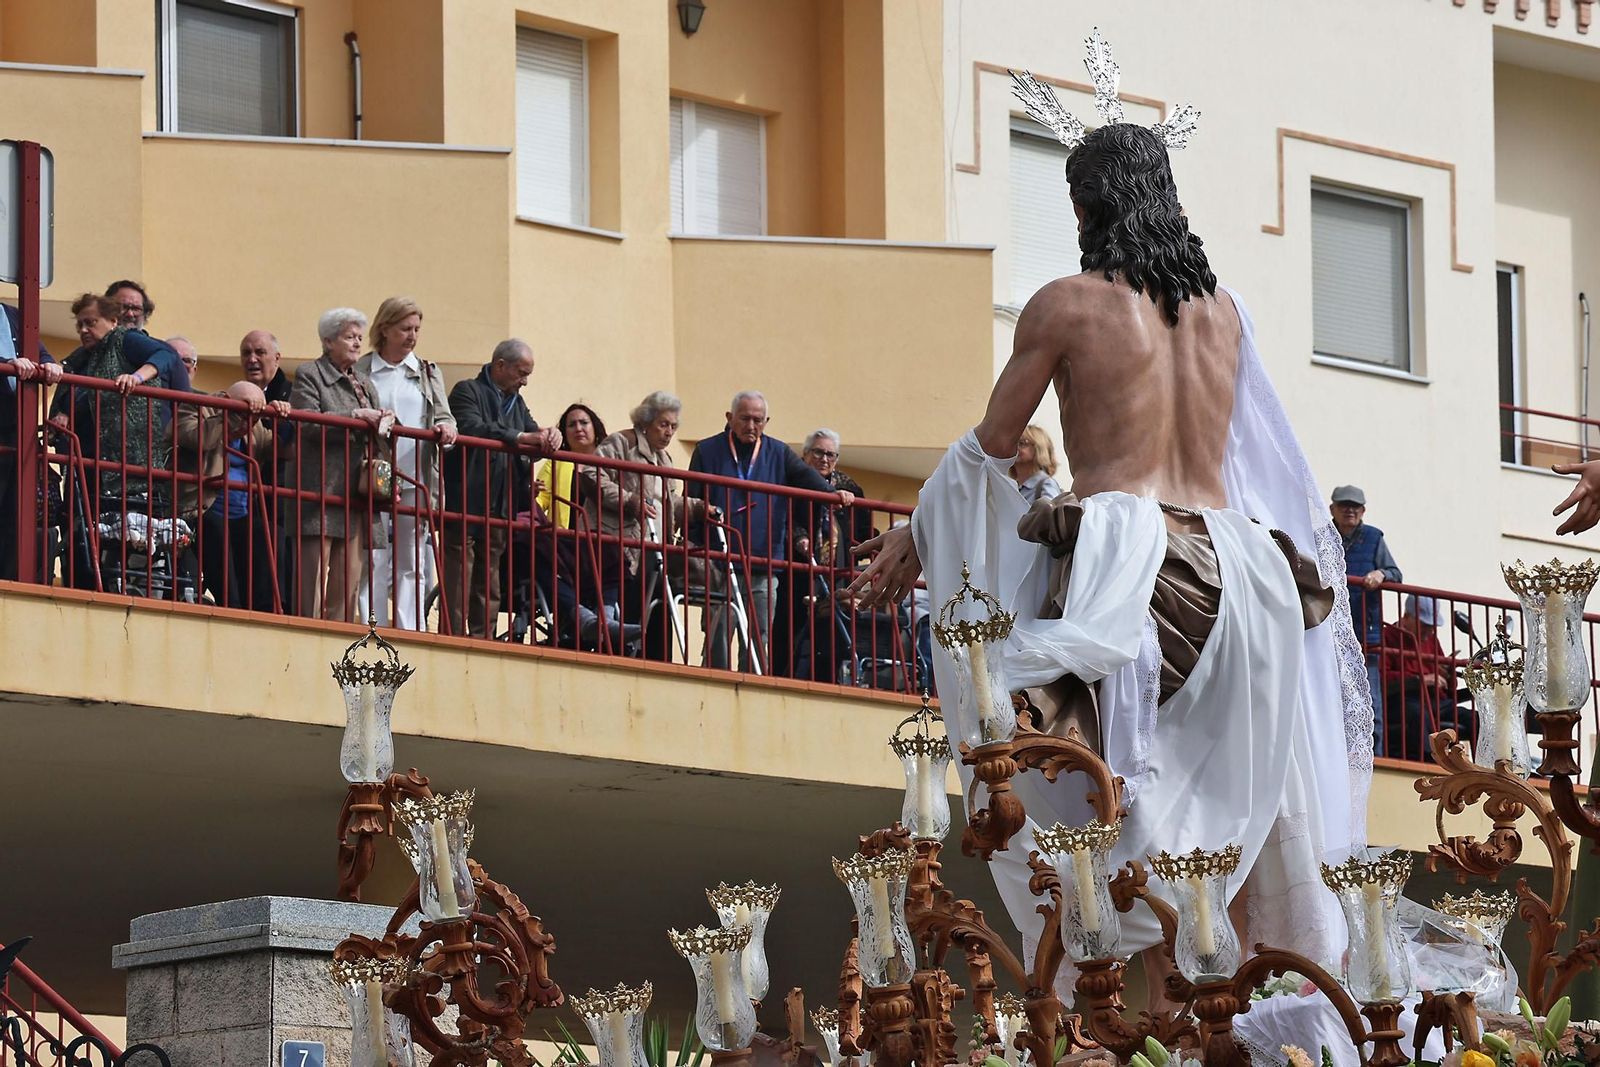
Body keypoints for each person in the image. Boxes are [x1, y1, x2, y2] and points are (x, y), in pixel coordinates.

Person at [846, 45, 1367, 1002]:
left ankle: (1128, 1012)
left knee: (1117, 807)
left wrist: (919, 532)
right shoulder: (1225, 315)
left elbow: (989, 451)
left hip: (1131, 562)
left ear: (1086, 209)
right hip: (1251, 576)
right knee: (1229, 830)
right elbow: (1265, 463)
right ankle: (1251, 1024)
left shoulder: (1068, 306)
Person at [687, 390, 853, 671]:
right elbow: (690, 499)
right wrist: (697, 541)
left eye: (757, 420)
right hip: (718, 559)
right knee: (718, 634)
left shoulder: (778, 452)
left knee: (758, 635)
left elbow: (805, 477)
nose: (751, 426)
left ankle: (751, 689)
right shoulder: (707, 450)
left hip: (764, 560)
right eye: (744, 419)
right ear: (730, 418)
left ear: (766, 422)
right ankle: (713, 684)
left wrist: (832, 493)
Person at [47, 293, 190, 589]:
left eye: (91, 322)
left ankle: (120, 587)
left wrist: (137, 378)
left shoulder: (124, 340)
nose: (85, 330)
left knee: (121, 533)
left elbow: (165, 356)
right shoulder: (79, 359)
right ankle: (82, 586)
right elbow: (75, 397)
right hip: (86, 458)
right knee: (79, 528)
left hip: (124, 459)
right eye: (80, 325)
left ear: (112, 321)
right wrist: (61, 414)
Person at [442, 339, 559, 639]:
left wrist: (549, 436)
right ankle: (453, 636)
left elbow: (533, 433)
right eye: (521, 373)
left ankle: (483, 638)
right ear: (500, 366)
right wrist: (522, 436)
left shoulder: (516, 402)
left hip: (501, 500)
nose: (525, 381)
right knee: (459, 574)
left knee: (490, 577)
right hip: (466, 497)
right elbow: (471, 426)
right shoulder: (467, 390)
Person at [356, 297, 456, 631]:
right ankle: (373, 628)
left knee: (412, 558)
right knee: (371, 555)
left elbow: (444, 415)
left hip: (416, 475)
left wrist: (446, 429)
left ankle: (410, 630)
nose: (412, 336)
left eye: (416, 329)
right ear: (384, 328)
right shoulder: (362, 369)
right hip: (372, 474)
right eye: (404, 328)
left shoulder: (427, 371)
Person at [588, 390, 710, 661]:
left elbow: (669, 503)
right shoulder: (622, 443)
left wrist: (700, 508)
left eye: (674, 427)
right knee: (632, 608)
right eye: (664, 424)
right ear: (646, 421)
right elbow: (590, 474)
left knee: (659, 613)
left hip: (655, 548)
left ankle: (659, 665)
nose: (669, 432)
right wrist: (628, 501)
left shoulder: (664, 459)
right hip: (623, 545)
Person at [291, 307, 387, 623]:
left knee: (348, 582)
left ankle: (338, 640)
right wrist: (356, 418)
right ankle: (307, 633)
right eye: (350, 337)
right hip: (320, 488)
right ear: (329, 341)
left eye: (360, 337)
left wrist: (385, 423)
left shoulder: (365, 383)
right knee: (312, 579)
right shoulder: (310, 374)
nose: (358, 343)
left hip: (357, 493)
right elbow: (308, 424)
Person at [535, 402, 636, 649]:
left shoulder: (611, 464)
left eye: (584, 422)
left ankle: (607, 616)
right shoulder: (556, 462)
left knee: (613, 552)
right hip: (564, 543)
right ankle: (584, 618)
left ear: (596, 428)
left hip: (598, 543)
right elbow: (539, 501)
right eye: (571, 424)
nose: (578, 428)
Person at [173, 381, 277, 611]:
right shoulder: (197, 406)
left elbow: (281, 448)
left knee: (265, 530)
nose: (247, 419)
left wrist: (283, 418)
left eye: (252, 413)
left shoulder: (256, 425)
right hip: (201, 509)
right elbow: (199, 439)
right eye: (244, 411)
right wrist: (229, 414)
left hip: (240, 513)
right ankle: (233, 606)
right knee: (215, 530)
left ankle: (265, 610)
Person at [1331, 485, 1402, 735]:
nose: (1349, 510)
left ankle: (1375, 754)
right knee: (1331, 699)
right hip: (1330, 628)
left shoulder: (1373, 537)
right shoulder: (1322, 536)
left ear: (1362, 511)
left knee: (1369, 700)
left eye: (1355, 506)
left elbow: (1395, 573)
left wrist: (1380, 573)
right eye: (1344, 505)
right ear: (1333, 509)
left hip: (1365, 632)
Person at [0, 302, 60, 582]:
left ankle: (8, 580)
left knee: (14, 510)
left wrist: (48, 366)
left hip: (15, 428)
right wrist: (8, 365)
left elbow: (43, 355)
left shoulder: (14, 315)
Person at [1378, 594, 1460, 761]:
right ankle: (1432, 763)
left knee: (1474, 717)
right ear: (1406, 616)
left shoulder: (1432, 640)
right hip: (1403, 701)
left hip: (1435, 701)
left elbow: (1448, 687)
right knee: (1419, 715)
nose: (1429, 631)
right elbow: (1383, 677)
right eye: (1424, 625)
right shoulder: (1387, 636)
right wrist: (1421, 679)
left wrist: (1448, 674)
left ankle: (1484, 768)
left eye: (1432, 626)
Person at [1009, 424, 1063, 504]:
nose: (1016, 448)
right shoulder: (1011, 487)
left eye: (1022, 443)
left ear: (1038, 449)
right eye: (1013, 443)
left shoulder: (1045, 484)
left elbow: (1050, 514)